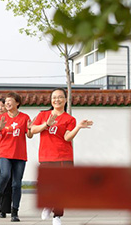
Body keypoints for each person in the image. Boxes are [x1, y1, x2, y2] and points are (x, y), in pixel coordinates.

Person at [30, 88, 93, 225]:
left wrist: (78, 127)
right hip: (46, 156)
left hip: (64, 156)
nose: (56, 100)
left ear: (65, 100)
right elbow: (33, 130)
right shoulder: (43, 115)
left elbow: (67, 137)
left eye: (59, 97)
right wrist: (47, 124)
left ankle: (57, 216)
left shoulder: (69, 119)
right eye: (54, 97)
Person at [0, 91, 32, 222]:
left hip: (19, 155)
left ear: (17, 103)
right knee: (5, 175)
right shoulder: (1, 118)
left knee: (16, 184)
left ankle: (15, 212)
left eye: (10, 101)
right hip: (5, 153)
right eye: (6, 102)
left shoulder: (24, 117)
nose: (7, 104)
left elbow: (29, 135)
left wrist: (30, 129)